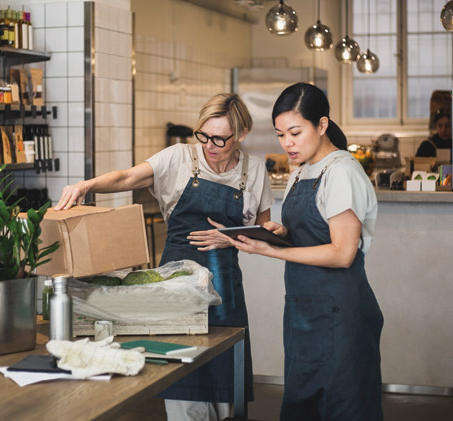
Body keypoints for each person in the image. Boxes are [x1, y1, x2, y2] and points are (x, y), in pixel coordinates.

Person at [55, 93, 274, 420]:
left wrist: (251, 235)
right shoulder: (179, 157)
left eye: (220, 139)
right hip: (174, 285)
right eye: (204, 135)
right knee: (181, 370)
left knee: (225, 373)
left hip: (225, 287)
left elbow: (262, 226)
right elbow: (128, 177)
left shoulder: (254, 170)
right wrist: (87, 186)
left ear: (241, 135)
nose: (210, 145)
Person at [227, 82, 384, 420]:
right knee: (304, 406)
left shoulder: (341, 171)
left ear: (322, 125)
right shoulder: (301, 172)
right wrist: (282, 233)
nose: (287, 143)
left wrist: (271, 252)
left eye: (295, 133)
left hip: (341, 314)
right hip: (304, 312)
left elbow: (343, 253)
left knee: (342, 406)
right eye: (281, 134)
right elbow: (312, 234)